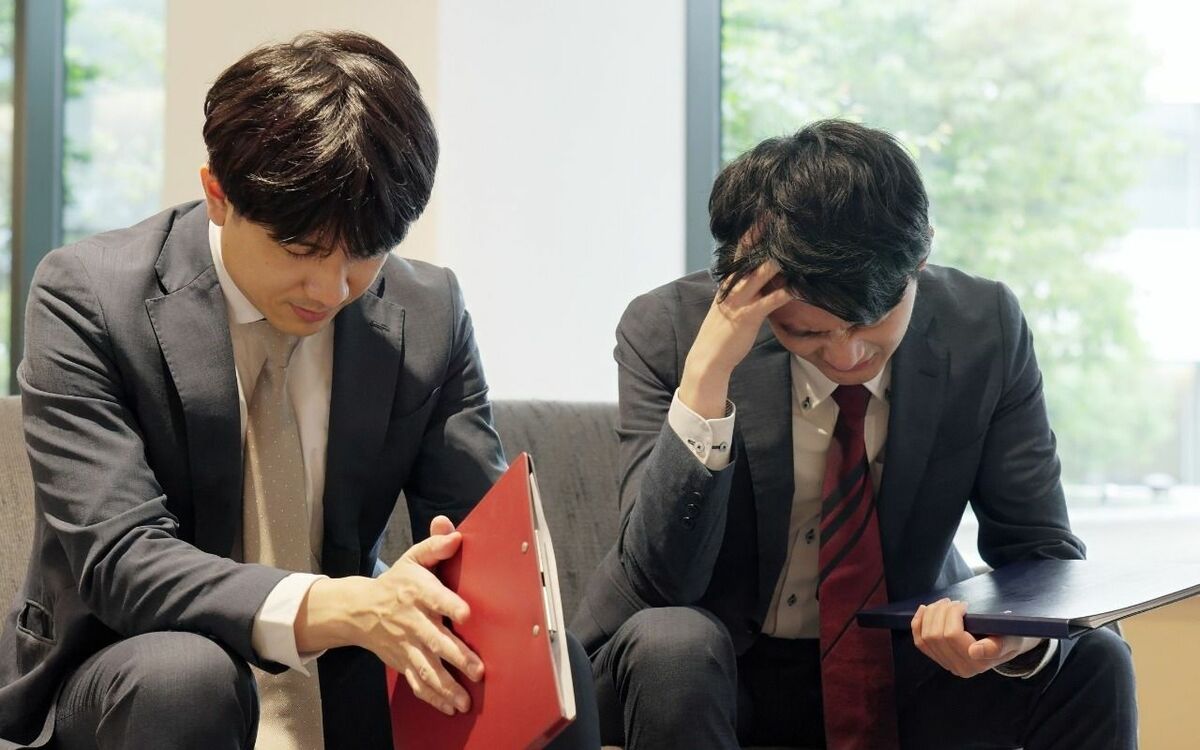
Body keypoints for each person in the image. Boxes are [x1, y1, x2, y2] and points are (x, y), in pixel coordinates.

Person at [0, 30, 599, 750]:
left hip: (346, 671)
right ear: (218, 195)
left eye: (365, 254)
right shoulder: (90, 296)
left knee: (552, 668)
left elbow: (480, 537)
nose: (331, 289)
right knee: (185, 677)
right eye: (299, 251)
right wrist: (341, 605)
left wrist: (456, 588)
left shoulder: (428, 312)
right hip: (131, 668)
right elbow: (120, 558)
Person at [572, 119, 1137, 749]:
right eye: (807, 333)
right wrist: (707, 379)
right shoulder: (670, 331)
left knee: (1094, 659)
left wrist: (1015, 637)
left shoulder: (983, 328)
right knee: (675, 644)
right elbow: (660, 583)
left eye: (872, 322)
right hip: (712, 667)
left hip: (903, 658)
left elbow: (1040, 551)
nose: (846, 355)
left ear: (920, 258)